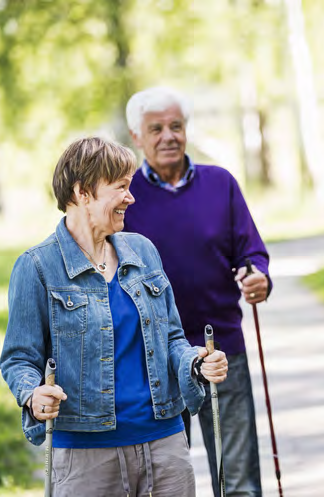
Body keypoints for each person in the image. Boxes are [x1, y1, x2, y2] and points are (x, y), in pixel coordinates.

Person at [0, 137, 228, 497]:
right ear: (82, 192)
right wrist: (33, 394)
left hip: (164, 444)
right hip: (86, 457)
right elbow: (19, 359)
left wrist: (196, 363)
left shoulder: (143, 251)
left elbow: (171, 339)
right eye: (120, 187)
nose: (130, 197)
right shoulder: (37, 267)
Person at [123, 86, 271, 497]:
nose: (168, 136)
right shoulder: (126, 196)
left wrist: (258, 275)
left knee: (238, 476)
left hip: (221, 348)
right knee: (167, 482)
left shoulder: (220, 183)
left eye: (176, 126)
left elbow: (252, 252)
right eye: (156, 128)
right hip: (154, 359)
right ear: (137, 136)